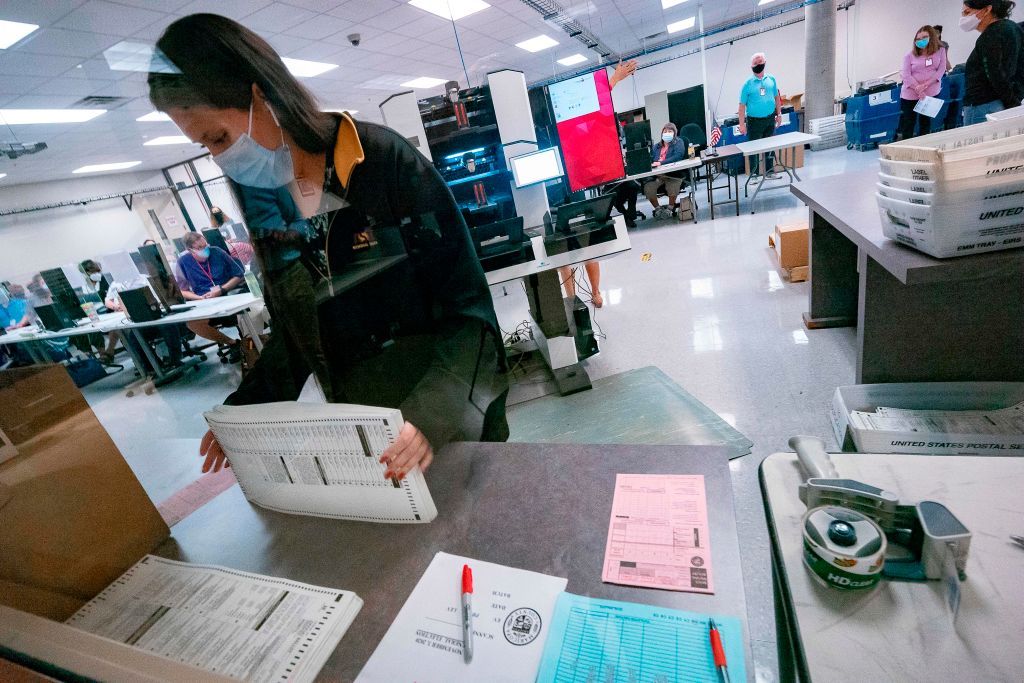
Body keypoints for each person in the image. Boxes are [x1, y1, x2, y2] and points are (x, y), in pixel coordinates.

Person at [149, 13, 509, 477]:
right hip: (371, 431)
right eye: (206, 147)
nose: (221, 158)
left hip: (451, 413)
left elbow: (468, 310)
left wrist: (429, 414)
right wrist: (240, 411)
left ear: (260, 92)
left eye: (219, 137)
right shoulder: (265, 199)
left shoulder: (381, 161)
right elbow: (300, 332)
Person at [176, 232, 245, 352]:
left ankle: (250, 343)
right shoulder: (183, 262)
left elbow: (238, 274)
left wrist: (222, 289)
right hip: (205, 301)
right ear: (190, 250)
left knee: (243, 315)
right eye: (200, 248)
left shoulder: (217, 252)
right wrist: (199, 298)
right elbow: (182, 290)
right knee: (193, 324)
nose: (205, 249)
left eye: (205, 244)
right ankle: (232, 343)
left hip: (227, 293)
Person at [961, 0, 1024, 124]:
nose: (963, 18)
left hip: (983, 107)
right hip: (1002, 103)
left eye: (967, 12)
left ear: (986, 10)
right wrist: (1015, 100)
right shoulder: (1013, 28)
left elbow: (994, 72)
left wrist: (1012, 103)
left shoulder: (990, 35)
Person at [738, 52, 783, 177]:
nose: (758, 65)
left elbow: (776, 97)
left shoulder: (771, 79)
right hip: (754, 121)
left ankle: (769, 172)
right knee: (754, 149)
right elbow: (741, 106)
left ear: (765, 63)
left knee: (769, 146)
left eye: (760, 62)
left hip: (770, 119)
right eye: (755, 63)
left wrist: (779, 114)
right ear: (751, 66)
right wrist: (741, 124)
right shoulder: (747, 84)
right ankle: (754, 175)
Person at [899, 26, 947, 140]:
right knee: (909, 123)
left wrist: (926, 85)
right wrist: (918, 88)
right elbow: (905, 74)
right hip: (910, 94)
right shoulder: (909, 56)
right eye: (918, 39)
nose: (921, 40)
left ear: (932, 37)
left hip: (930, 93)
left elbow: (941, 69)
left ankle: (923, 148)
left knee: (925, 123)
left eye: (924, 37)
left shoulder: (941, 51)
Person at [643, 122, 689, 219]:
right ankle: (658, 209)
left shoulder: (678, 142)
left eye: (670, 131)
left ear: (674, 133)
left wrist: (661, 163)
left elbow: (678, 156)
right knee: (648, 187)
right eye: (665, 131)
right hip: (658, 175)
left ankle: (670, 208)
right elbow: (651, 159)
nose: (667, 133)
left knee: (672, 185)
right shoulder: (656, 146)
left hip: (673, 174)